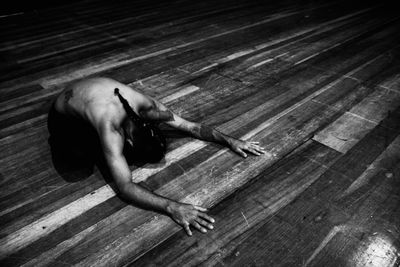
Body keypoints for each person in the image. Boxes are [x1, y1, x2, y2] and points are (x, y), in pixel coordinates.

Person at [48, 77, 265, 236]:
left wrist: (231, 140)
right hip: (63, 117)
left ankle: (95, 138)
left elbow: (188, 126)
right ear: (128, 141)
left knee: (106, 148)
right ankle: (78, 139)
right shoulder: (110, 127)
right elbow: (125, 186)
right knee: (78, 161)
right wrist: (173, 207)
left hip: (90, 95)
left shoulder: (148, 108)